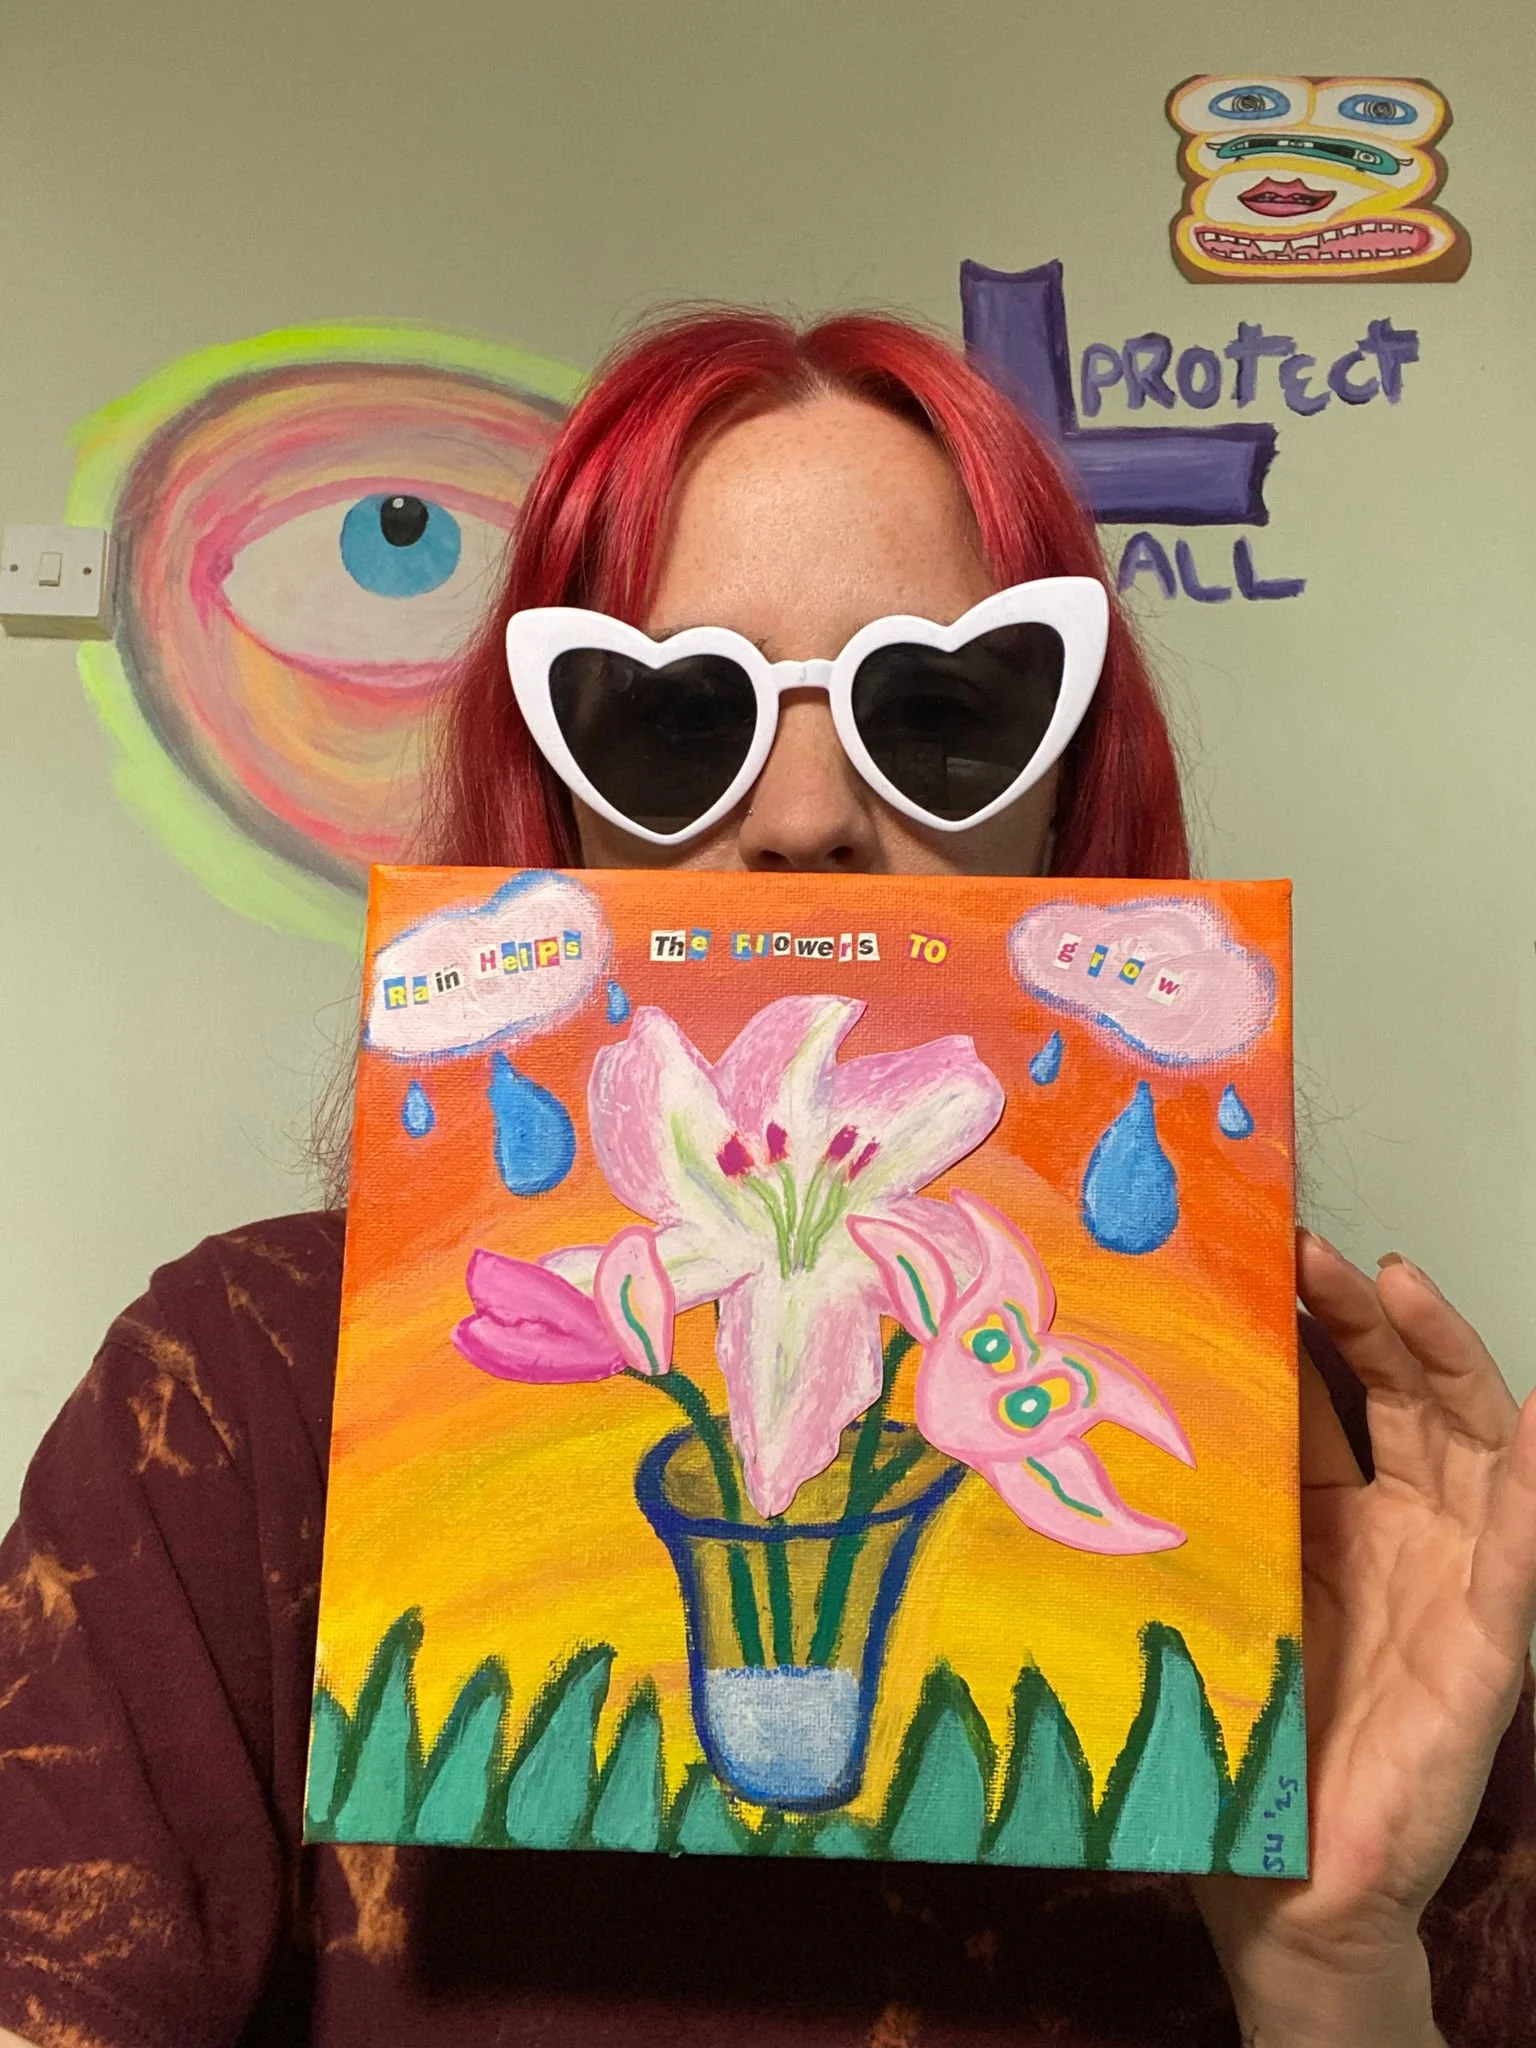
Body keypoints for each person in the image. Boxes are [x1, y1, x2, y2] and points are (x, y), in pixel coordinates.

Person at [2, 307, 1533, 2048]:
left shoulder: (1330, 1489)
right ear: (557, 802)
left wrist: (1336, 1982)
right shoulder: (237, 1396)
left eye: (942, 709)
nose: (807, 815)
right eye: (668, 721)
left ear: (1063, 798)